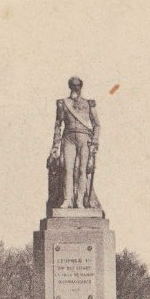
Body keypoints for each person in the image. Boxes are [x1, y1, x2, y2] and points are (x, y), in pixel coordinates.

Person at [50, 76, 101, 209]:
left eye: (78, 85)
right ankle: (67, 200)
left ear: (81, 87)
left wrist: (95, 141)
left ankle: (79, 201)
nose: (75, 87)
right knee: (67, 169)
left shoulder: (89, 104)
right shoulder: (63, 103)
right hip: (68, 138)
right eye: (73, 85)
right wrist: (55, 146)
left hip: (85, 139)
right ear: (70, 87)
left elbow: (96, 124)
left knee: (82, 170)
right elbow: (58, 125)